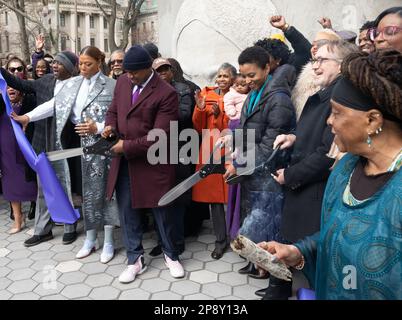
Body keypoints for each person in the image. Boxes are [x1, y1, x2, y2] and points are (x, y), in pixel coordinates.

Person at [263, 49, 402, 300]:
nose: (328, 121)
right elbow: (335, 235)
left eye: (337, 113)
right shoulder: (344, 170)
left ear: (372, 120)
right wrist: (299, 252)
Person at [259, 40, 358, 300]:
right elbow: (314, 135)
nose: (315, 66)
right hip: (303, 187)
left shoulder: (340, 97)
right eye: (314, 60)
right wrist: (294, 137)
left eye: (322, 60)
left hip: (313, 191)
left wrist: (289, 175)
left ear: (342, 64)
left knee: (310, 260)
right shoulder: (325, 93)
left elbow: (327, 154)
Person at [13, 46, 119, 263]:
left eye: (88, 64)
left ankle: (108, 239)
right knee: (84, 193)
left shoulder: (112, 85)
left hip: (102, 146)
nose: (82, 68)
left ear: (100, 62)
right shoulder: (72, 84)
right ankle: (91, 238)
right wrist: (28, 117)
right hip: (76, 147)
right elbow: (54, 105)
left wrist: (97, 127)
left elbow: (117, 116)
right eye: (80, 63)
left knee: (107, 194)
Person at [102, 45, 185, 283]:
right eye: (126, 72)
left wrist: (126, 146)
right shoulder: (122, 83)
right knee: (127, 211)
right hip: (125, 163)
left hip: (154, 162)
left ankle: (171, 255)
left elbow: (160, 135)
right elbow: (113, 112)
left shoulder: (166, 93)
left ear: (148, 68)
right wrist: (110, 127)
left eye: (134, 72)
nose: (129, 76)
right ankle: (134, 259)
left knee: (162, 210)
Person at [223, 46, 296, 279]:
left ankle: (273, 276)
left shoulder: (278, 99)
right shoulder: (255, 94)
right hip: (253, 172)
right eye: (243, 75)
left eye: (252, 75)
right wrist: (231, 138)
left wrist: (240, 163)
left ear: (267, 68)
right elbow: (250, 130)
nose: (247, 80)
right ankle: (256, 263)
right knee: (253, 218)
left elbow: (269, 145)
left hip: (269, 173)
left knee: (266, 223)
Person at [1, 50, 79, 247]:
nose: (54, 65)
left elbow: (55, 106)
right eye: (55, 62)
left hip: (65, 145)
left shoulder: (77, 86)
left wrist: (28, 117)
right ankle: (42, 230)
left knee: (64, 187)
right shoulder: (44, 82)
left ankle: (70, 226)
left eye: (60, 63)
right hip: (42, 144)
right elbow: (19, 83)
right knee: (43, 189)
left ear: (70, 68)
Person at [192, 63, 236, 260]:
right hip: (210, 148)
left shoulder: (238, 95)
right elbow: (199, 127)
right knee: (215, 199)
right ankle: (220, 240)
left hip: (231, 147)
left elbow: (236, 124)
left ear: (234, 78)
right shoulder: (206, 95)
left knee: (235, 193)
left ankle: (236, 236)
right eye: (219, 76)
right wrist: (201, 110)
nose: (221, 79)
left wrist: (220, 116)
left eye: (226, 76)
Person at [0, 59, 37, 234]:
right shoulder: (1, 98)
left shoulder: (30, 97)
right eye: (11, 69)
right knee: (10, 181)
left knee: (32, 181)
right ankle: (17, 218)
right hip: (6, 146)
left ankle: (39, 215)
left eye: (19, 68)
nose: (15, 72)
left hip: (27, 145)